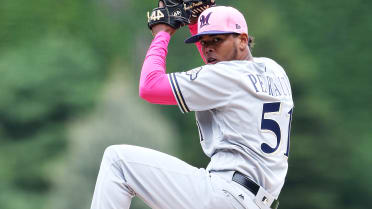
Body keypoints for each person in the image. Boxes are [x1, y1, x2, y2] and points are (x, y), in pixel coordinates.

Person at [90, 5, 294, 209]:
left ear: (242, 39)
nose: (208, 48)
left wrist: (163, 33)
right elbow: (218, 73)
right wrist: (197, 23)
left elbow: (149, 87)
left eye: (217, 40)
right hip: (254, 201)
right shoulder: (274, 71)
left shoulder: (225, 77)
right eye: (203, 42)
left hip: (226, 195)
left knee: (117, 161)